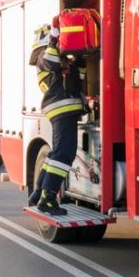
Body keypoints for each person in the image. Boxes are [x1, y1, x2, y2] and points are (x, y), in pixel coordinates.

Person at [29, 23, 85, 216]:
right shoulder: (43, 57)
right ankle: (48, 199)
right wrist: (53, 39)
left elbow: (76, 79)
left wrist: (78, 60)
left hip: (63, 108)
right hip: (62, 108)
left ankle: (38, 192)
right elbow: (51, 62)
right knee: (64, 155)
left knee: (56, 154)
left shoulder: (58, 59)